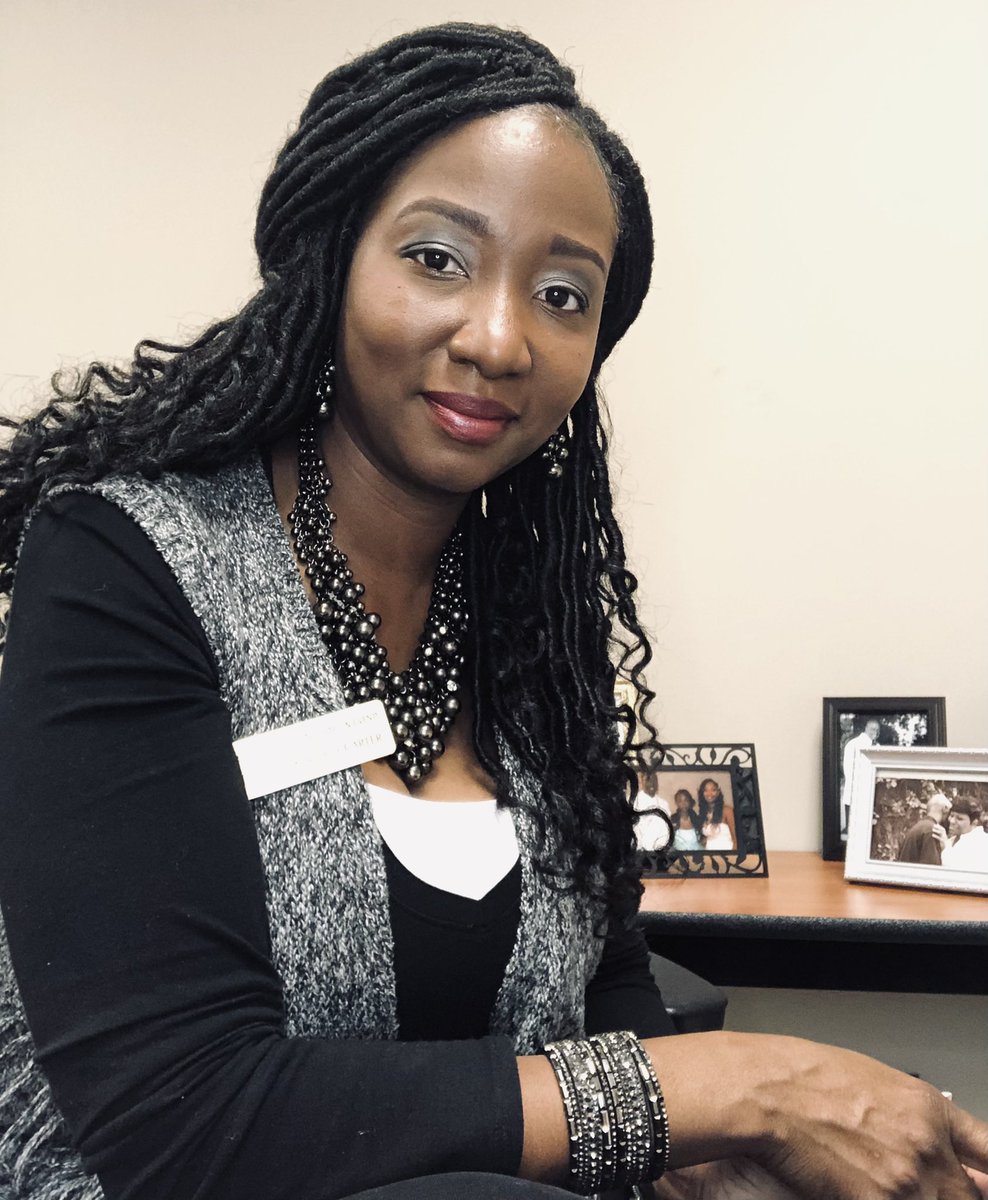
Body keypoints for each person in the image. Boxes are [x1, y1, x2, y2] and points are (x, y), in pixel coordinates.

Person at [0, 23, 985, 1200]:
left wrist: (720, 1155)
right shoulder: (127, 567)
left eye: (562, 294)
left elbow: (609, 992)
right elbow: (187, 1121)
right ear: (332, 260)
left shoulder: (524, 629)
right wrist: (732, 1088)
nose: (498, 336)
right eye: (435, 259)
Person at [841, 717, 881, 834]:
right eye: (872, 729)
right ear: (866, 728)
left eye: (877, 730)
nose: (875, 732)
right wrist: (856, 783)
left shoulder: (875, 745)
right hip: (856, 783)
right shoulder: (854, 744)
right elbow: (848, 767)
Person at [934, 797, 988, 872]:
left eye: (959, 818)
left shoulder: (981, 842)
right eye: (952, 815)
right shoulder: (953, 839)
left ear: (974, 822)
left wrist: (945, 847)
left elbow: (956, 871)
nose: (952, 821)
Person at [896, 791, 951, 865]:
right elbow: (931, 868)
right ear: (945, 809)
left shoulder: (920, 826)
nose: (950, 819)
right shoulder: (932, 830)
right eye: (950, 814)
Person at [697, 778, 736, 851]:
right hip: (709, 857)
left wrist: (733, 857)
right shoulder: (703, 813)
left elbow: (736, 839)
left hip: (727, 855)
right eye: (706, 790)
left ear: (718, 792)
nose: (709, 793)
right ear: (702, 793)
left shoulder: (727, 811)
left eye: (713, 790)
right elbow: (704, 840)